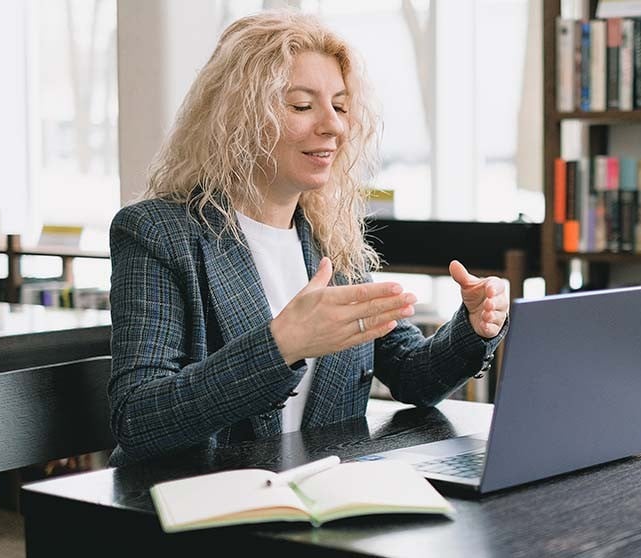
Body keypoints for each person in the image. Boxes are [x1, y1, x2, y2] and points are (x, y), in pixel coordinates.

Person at [107, 11, 509, 466]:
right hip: (197, 509)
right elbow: (138, 418)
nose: (334, 126)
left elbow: (413, 374)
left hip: (319, 502)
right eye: (302, 106)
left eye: (339, 106)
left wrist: (474, 327)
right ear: (239, 116)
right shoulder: (156, 232)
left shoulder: (330, 238)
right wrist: (282, 345)